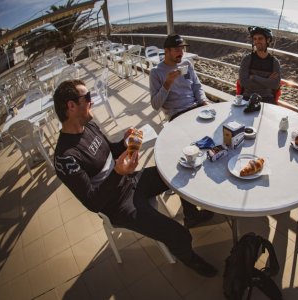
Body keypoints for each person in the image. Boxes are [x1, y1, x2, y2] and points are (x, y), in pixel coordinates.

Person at [53, 80, 217, 277]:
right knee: (179, 234)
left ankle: (191, 215)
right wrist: (117, 173)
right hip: (118, 205)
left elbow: (110, 151)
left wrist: (125, 142)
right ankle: (190, 259)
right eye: (87, 98)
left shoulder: (89, 126)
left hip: (131, 180)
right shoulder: (66, 157)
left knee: (177, 171)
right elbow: (92, 201)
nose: (92, 101)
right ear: (71, 106)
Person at [150, 34, 208, 121]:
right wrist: (167, 83)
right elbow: (155, 105)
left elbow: (196, 85)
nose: (181, 53)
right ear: (166, 51)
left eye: (182, 49)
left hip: (196, 106)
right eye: (177, 49)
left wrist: (203, 101)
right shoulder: (156, 72)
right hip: (177, 114)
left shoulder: (186, 63)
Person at [238, 26, 281, 104]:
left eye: (260, 38)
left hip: (267, 98)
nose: (257, 41)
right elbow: (243, 82)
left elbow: (275, 85)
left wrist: (254, 77)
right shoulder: (247, 59)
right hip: (247, 97)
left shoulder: (274, 62)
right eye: (255, 39)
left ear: (268, 40)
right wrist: (267, 81)